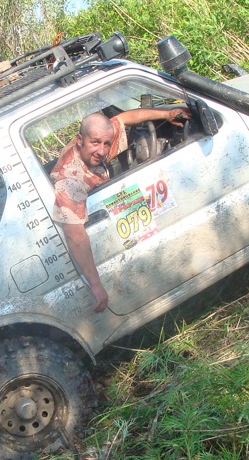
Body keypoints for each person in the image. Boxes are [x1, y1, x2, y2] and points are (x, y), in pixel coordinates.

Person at [51, 106, 190, 313]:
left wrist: (166, 115)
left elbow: (124, 119)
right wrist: (96, 286)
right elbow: (75, 236)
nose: (102, 151)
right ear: (80, 140)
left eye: (106, 144)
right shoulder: (69, 181)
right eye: (95, 143)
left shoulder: (97, 142)